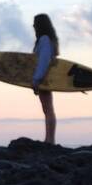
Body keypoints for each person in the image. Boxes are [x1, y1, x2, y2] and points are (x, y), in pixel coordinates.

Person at [31, 13, 58, 145]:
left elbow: (44, 61)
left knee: (48, 109)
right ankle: (49, 139)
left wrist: (37, 79)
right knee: (47, 109)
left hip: (44, 79)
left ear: (40, 25)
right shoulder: (48, 40)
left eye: (35, 24)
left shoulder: (44, 40)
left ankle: (50, 140)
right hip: (46, 79)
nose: (33, 26)